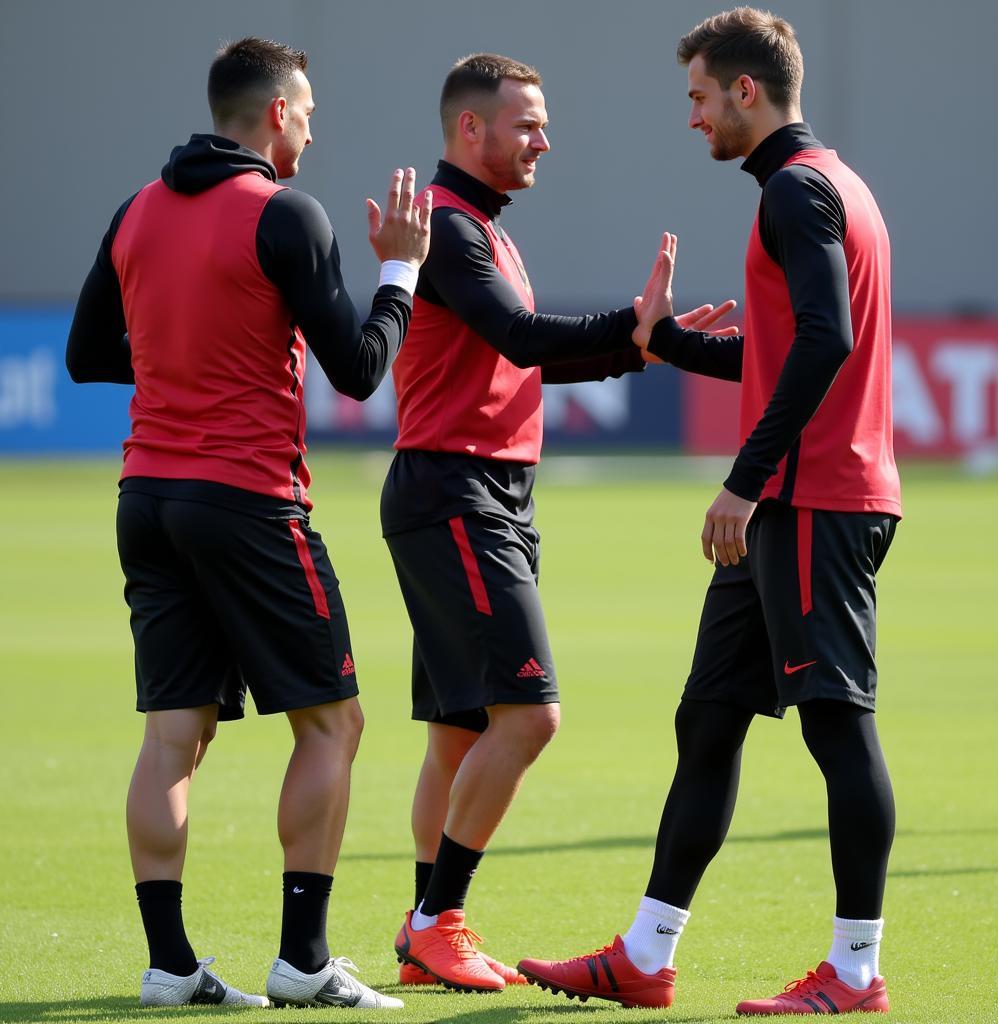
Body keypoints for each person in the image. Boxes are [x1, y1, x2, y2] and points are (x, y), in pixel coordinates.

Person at [517, 7, 901, 1016]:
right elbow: (791, 349)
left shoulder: (793, 193)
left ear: (745, 90)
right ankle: (646, 954)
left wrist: (743, 477)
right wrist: (666, 342)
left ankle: (856, 972)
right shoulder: (834, 184)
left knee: (836, 725)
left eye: (696, 96)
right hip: (796, 497)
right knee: (708, 717)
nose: (689, 118)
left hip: (816, 495)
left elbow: (827, 340)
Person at [66, 37, 429, 1009]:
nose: (311, 125)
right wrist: (400, 271)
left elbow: (86, 355)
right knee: (332, 722)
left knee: (171, 734)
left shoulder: (136, 209)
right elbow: (356, 369)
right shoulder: (286, 213)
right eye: (306, 109)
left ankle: (170, 965)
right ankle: (304, 960)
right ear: (275, 112)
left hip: (146, 500)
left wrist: (187, 364)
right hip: (249, 501)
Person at [381, 53, 735, 995]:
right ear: (470, 129)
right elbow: (522, 338)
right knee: (531, 715)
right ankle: (434, 922)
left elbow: (522, 363)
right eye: (527, 123)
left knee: (460, 734)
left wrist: (640, 349)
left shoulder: (485, 232)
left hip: (472, 494)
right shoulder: (454, 232)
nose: (544, 139)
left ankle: (427, 935)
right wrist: (636, 321)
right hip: (456, 494)